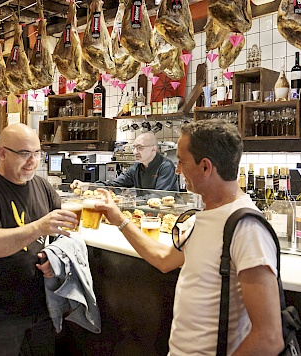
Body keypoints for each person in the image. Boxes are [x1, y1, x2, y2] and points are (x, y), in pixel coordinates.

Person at [94, 120, 284, 355]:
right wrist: (118, 218)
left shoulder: (246, 228)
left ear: (205, 167)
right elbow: (163, 258)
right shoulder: (201, 218)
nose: (177, 170)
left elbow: (269, 337)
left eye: (182, 162)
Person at [0, 123, 77, 354]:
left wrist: (54, 259)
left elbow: (62, 235)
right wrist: (38, 227)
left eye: (36, 153)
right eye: (24, 153)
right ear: (2, 153)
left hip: (41, 305)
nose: (32, 161)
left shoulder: (42, 186)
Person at [70, 132, 178, 191]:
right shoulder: (136, 167)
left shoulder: (166, 166)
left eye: (140, 147)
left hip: (167, 216)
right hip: (144, 214)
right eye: (134, 147)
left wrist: (132, 201)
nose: (135, 152)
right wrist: (88, 186)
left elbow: (161, 196)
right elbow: (115, 185)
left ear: (153, 149)